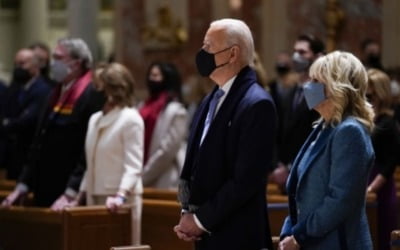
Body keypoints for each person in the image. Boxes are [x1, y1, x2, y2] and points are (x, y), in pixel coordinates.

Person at [174, 18, 276, 250]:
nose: (202, 53)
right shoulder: (211, 98)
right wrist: (187, 210)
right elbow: (195, 162)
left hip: (237, 235)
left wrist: (200, 220)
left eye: (209, 47)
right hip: (208, 235)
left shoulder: (257, 103)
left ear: (232, 54)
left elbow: (245, 180)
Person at [279, 51, 375, 250]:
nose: (308, 85)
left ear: (335, 86)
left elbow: (340, 200)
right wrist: (288, 232)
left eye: (315, 80)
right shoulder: (324, 127)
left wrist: (299, 237)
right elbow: (300, 192)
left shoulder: (350, 131)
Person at [1, 38, 105, 208]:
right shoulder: (54, 93)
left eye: (58, 58)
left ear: (76, 63)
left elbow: (88, 148)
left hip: (70, 191)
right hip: (45, 185)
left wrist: (72, 190)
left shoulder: (91, 94)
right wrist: (23, 184)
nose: (53, 64)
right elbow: (39, 141)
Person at [74, 63, 144, 245]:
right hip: (93, 195)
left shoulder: (131, 119)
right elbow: (91, 162)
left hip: (119, 200)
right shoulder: (95, 118)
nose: (94, 91)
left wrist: (120, 196)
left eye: (99, 86)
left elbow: (133, 166)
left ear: (113, 89)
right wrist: (79, 196)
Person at [271, 34, 324, 191]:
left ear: (316, 56)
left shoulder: (316, 90)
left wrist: (289, 167)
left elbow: (313, 134)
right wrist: (277, 165)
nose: (296, 56)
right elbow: (280, 131)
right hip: (285, 174)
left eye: (302, 52)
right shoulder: (292, 90)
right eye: (295, 51)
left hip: (304, 172)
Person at [1, 48, 51, 179]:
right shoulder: (16, 88)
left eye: (22, 64)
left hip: (28, 152)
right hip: (13, 154)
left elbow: (28, 119)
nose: (18, 68)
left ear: (35, 66)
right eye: (16, 64)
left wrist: (6, 123)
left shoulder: (42, 90)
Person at [139, 62, 188, 189]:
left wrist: (145, 176)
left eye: (156, 76)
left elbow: (167, 150)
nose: (151, 79)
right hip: (139, 174)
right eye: (150, 75)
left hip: (164, 178)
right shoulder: (142, 106)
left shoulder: (177, 111)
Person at [366, 68, 399, 250]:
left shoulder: (388, 123)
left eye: (371, 92)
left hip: (380, 187)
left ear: (380, 92)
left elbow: (390, 162)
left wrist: (371, 190)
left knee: (381, 237)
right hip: (366, 179)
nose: (367, 96)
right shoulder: (369, 119)